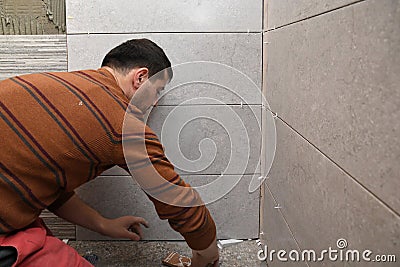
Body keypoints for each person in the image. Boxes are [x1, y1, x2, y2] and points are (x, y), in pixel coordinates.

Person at [0, 38, 219, 267]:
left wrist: (102, 224)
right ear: (140, 77)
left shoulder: (61, 83)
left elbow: (49, 186)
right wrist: (207, 254)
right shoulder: (121, 125)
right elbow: (178, 201)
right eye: (157, 91)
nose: (154, 103)